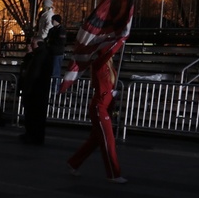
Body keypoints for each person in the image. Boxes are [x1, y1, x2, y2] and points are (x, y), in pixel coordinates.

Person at [66, 44, 127, 183]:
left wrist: (112, 93)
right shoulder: (99, 63)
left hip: (106, 107)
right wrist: (121, 40)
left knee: (95, 140)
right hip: (99, 108)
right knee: (108, 141)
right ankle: (113, 173)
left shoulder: (109, 67)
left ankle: (74, 162)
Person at [18, 36, 52, 145]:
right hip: (36, 90)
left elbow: (34, 74)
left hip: (36, 90)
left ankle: (34, 136)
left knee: (35, 115)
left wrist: (29, 88)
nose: (31, 46)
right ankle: (31, 134)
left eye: (32, 43)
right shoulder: (38, 55)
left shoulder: (40, 56)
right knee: (31, 114)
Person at [46, 14, 67, 82]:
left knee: (55, 72)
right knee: (51, 71)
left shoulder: (61, 30)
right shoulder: (52, 30)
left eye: (53, 20)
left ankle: (55, 86)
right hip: (51, 52)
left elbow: (61, 41)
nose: (52, 21)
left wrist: (51, 41)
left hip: (57, 53)